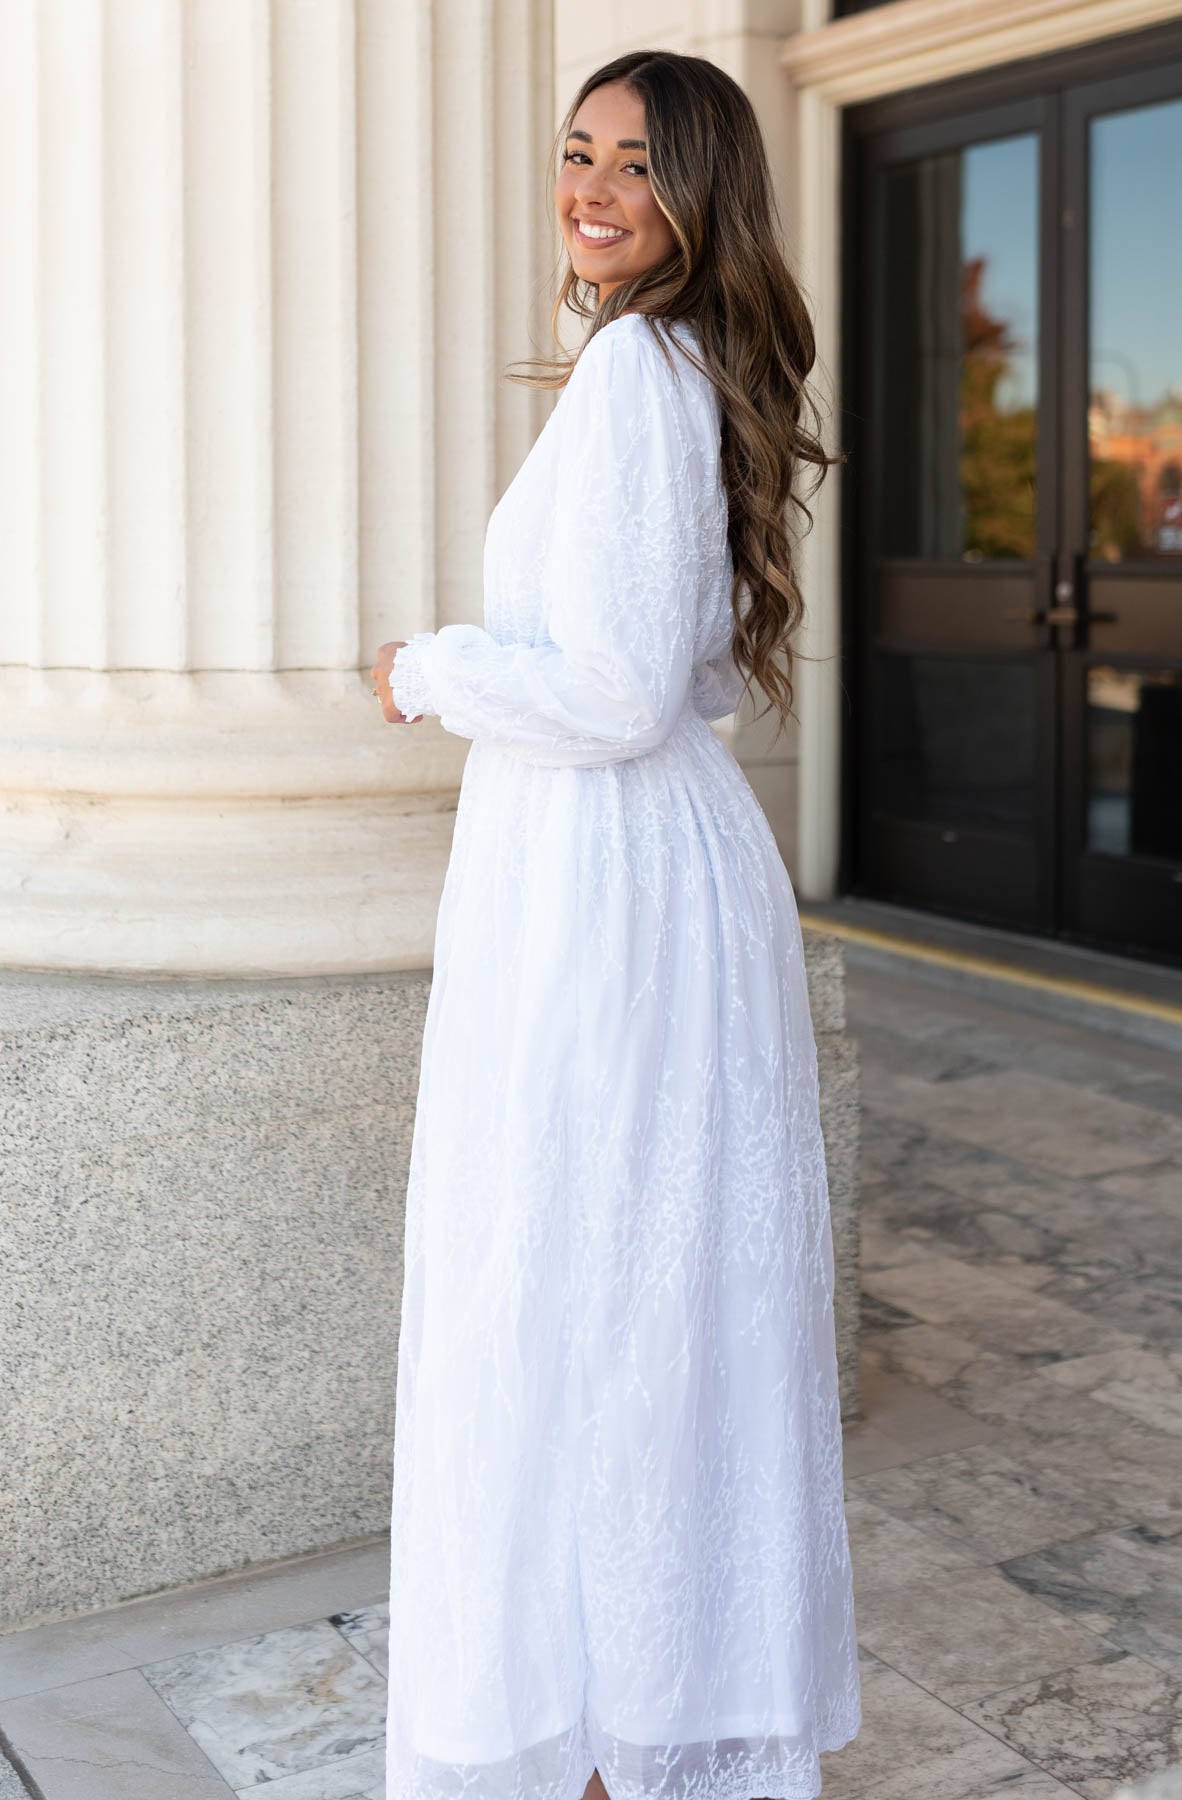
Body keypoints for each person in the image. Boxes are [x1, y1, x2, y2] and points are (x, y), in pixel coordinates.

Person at [370, 47, 861, 1800]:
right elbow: (714, 672)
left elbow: (617, 687)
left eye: (633, 163)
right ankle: (626, 1727)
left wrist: (425, 670)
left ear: (700, 190)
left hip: (608, 894)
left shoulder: (643, 369)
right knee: (631, 1304)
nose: (588, 187)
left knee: (591, 1306)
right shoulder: (666, 365)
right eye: (575, 152)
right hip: (624, 878)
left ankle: (612, 1741)